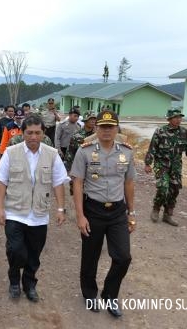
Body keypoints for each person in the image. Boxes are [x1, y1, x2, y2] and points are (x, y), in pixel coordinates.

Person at [0, 114, 69, 302]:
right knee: (16, 250)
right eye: (29, 133)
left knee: (34, 255)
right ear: (23, 133)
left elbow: (59, 182)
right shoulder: (11, 152)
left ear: (43, 133)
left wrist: (61, 209)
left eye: (37, 133)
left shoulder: (52, 154)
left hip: (39, 214)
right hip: (15, 212)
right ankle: (14, 281)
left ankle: (29, 285)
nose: (33, 137)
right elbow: (1, 182)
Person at [70, 111, 136, 318]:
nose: (107, 130)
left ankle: (109, 294)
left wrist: (131, 213)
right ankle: (90, 294)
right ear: (96, 128)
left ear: (117, 129)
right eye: (103, 127)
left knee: (123, 257)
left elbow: (129, 182)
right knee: (91, 257)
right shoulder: (85, 151)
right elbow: (77, 183)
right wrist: (80, 215)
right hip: (93, 210)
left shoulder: (127, 152)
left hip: (117, 211)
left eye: (111, 127)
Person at [144, 109, 187, 226]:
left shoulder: (185, 132)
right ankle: (156, 208)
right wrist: (148, 163)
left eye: (180, 117)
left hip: (176, 166)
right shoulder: (160, 131)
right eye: (176, 117)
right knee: (163, 188)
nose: (179, 119)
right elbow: (152, 147)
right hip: (161, 165)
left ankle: (168, 215)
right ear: (169, 119)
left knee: (175, 190)